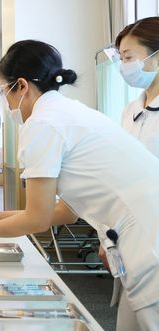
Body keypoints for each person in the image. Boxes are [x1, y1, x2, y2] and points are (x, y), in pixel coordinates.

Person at [0, 39, 159, 330]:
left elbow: (37, 219)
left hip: (147, 239)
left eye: (4, 91)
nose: (6, 101)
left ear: (22, 86)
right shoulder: (68, 111)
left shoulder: (43, 123)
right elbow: (66, 211)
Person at [98, 16, 159, 331]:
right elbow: (119, 177)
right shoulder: (130, 111)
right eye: (120, 58)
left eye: (129, 58)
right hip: (128, 240)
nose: (123, 66)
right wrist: (108, 236)